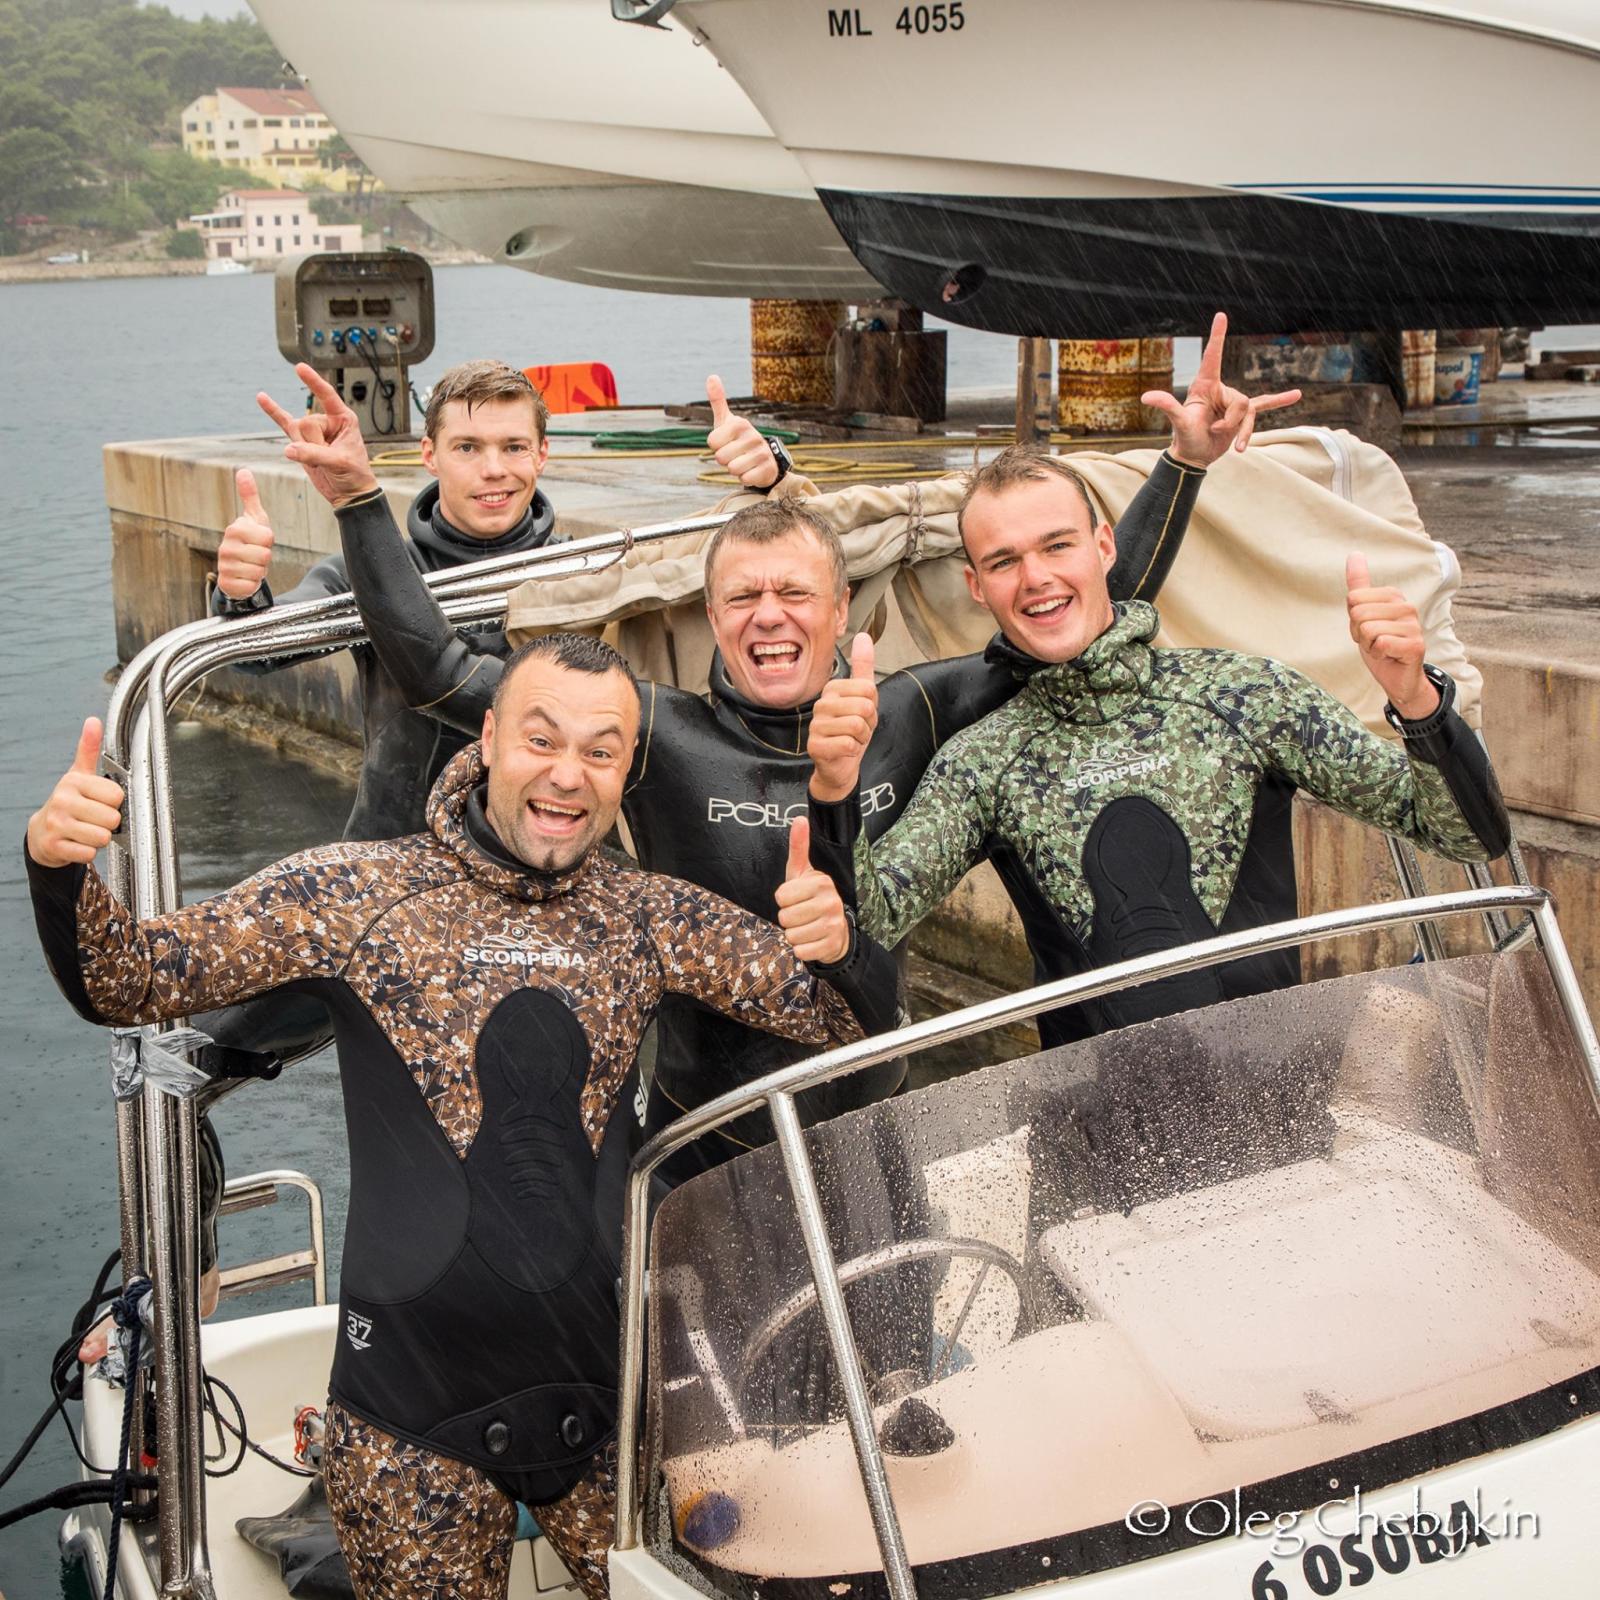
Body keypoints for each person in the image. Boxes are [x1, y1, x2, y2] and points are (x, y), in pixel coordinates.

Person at [268, 315, 1297, 1178]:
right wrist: (358, 499)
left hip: (873, 1137)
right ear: (712, 617)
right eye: (743, 598)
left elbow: (1076, 616)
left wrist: (1182, 466)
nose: (770, 616)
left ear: (841, 608)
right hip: (704, 1142)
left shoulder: (910, 714)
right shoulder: (657, 731)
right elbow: (441, 672)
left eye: (795, 593)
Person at [27, 633, 897, 1600]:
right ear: (488, 740)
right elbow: (130, 979)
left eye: (601, 751)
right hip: (407, 1430)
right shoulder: (355, 893)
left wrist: (842, 937)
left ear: (626, 774)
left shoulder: (649, 916)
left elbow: (849, 1023)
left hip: (611, 1409)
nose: (567, 774)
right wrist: (59, 867)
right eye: (541, 739)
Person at [804, 442, 1513, 1043]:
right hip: (1091, 1133)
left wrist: (1418, 702)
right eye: (1005, 561)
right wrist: (835, 791)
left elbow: (1465, 835)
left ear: (1104, 546)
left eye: (1057, 545)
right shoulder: (982, 760)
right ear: (977, 587)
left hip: (1279, 1107)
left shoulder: (1241, 693)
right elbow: (869, 922)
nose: (1037, 578)